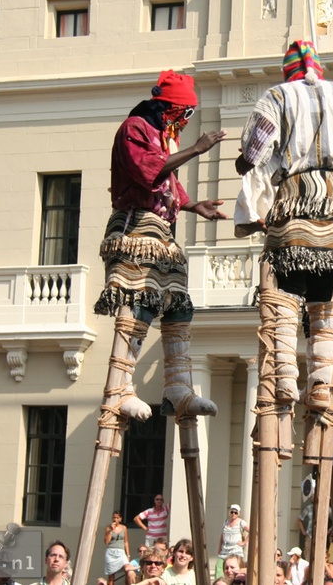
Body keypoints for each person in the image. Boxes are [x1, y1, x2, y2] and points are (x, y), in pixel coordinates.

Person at [235, 40, 333, 426]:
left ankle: (283, 379)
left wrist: (242, 159)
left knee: (284, 286)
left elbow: (253, 155)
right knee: (325, 296)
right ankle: (319, 382)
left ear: (288, 71)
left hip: (298, 197)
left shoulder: (277, 96)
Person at [94, 70, 227, 424]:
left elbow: (166, 183)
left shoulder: (161, 134)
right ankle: (120, 386)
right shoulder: (135, 128)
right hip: (136, 228)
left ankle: (177, 386)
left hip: (163, 234)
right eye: (185, 112)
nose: (186, 120)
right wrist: (196, 149)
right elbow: (147, 171)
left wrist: (193, 205)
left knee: (178, 307)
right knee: (140, 303)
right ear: (170, 107)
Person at [216, 505, 249, 579]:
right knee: (219, 566)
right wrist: (219, 548)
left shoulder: (241, 522)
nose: (233, 514)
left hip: (235, 550)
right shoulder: (226, 522)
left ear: (238, 513)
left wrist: (244, 542)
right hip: (225, 549)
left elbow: (251, 531)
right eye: (232, 512)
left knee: (234, 568)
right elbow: (222, 535)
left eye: (235, 512)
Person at [104, 511, 131, 585]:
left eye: (117, 518)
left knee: (128, 570)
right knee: (111, 576)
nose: (115, 519)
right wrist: (111, 531)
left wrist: (128, 554)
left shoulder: (124, 528)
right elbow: (106, 542)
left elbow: (126, 542)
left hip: (121, 552)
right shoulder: (108, 528)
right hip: (111, 552)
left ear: (120, 519)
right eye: (114, 518)